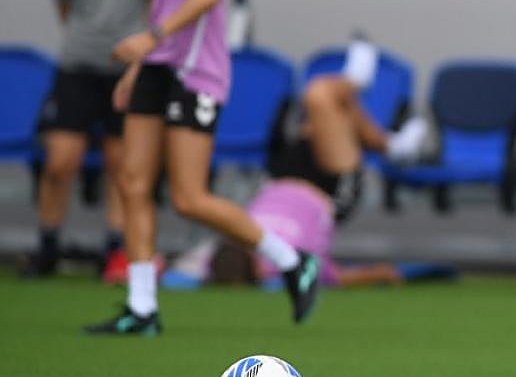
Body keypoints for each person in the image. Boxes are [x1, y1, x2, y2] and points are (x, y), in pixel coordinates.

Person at [84, 0, 318, 335]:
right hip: (159, 63)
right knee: (132, 179)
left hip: (193, 69)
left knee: (189, 197)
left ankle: (290, 260)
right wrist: (140, 63)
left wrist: (152, 38)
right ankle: (142, 307)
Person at [165, 67, 436, 289]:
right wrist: (381, 274)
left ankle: (392, 145)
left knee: (324, 114)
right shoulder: (282, 261)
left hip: (280, 177)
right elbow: (336, 276)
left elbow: (178, 271)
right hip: (330, 192)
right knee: (319, 96)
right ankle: (364, 93)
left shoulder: (226, 246)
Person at [24, 0, 152, 278]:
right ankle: (48, 247)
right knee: (61, 161)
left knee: (120, 164)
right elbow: (64, 3)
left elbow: (156, 6)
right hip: (78, 65)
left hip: (125, 72)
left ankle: (114, 251)